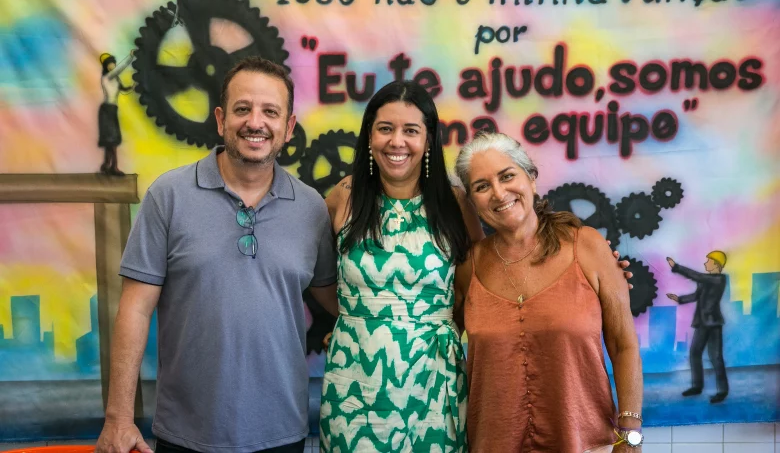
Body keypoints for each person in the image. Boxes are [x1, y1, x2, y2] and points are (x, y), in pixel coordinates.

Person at [95, 56, 338, 453]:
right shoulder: (168, 196)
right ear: (221, 119)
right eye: (243, 109)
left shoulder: (310, 206)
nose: (255, 122)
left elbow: (337, 298)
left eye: (270, 112)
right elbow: (135, 309)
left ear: (288, 127)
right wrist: (119, 419)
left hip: (283, 433)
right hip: (184, 434)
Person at [317, 80, 485, 452]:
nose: (397, 142)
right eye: (385, 128)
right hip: (354, 382)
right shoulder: (343, 197)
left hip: (434, 379)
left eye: (411, 130)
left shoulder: (455, 203)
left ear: (427, 140)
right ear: (370, 136)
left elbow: (477, 285)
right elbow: (316, 277)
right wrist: (355, 320)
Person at [453, 132, 644, 452]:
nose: (499, 193)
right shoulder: (467, 267)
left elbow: (624, 345)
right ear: (473, 202)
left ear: (531, 179)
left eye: (507, 176)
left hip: (587, 444)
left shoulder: (587, 246)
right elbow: (439, 343)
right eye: (482, 186)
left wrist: (630, 432)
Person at [666, 252, 729, 404]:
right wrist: (679, 299)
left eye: (709, 261)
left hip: (713, 323)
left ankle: (722, 391)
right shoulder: (706, 280)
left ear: (716, 263)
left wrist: (677, 267)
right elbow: (696, 296)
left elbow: (698, 276)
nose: (706, 263)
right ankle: (697, 386)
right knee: (695, 353)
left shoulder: (719, 279)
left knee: (716, 357)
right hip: (702, 323)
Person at [98, 51, 135, 175]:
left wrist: (132, 86)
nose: (112, 65)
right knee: (111, 140)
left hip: (112, 110)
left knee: (111, 140)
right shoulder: (107, 77)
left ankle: (107, 165)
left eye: (113, 63)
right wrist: (130, 57)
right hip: (107, 110)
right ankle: (113, 167)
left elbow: (123, 89)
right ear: (106, 66)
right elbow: (121, 68)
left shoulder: (114, 79)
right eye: (109, 64)